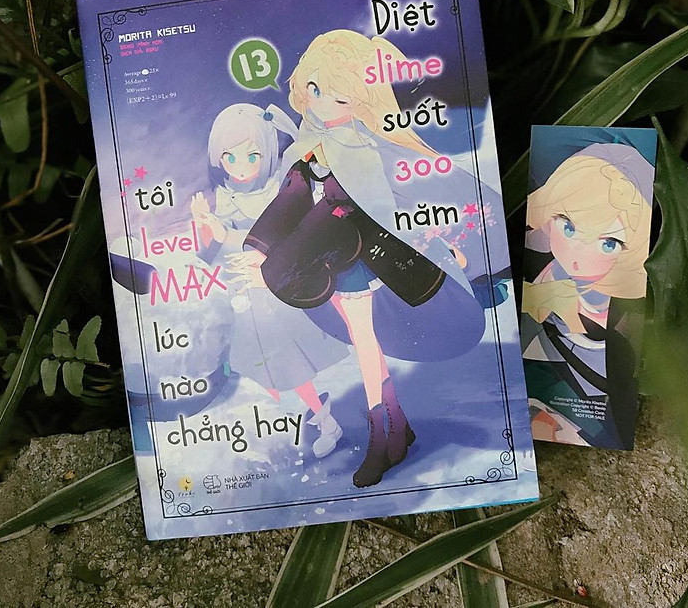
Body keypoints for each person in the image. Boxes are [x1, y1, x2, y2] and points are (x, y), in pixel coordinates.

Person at [231, 31, 508, 487]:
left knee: (365, 342)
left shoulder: (360, 149)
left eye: (339, 98)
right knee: (367, 343)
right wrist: (260, 246)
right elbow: (294, 195)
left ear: (361, 102)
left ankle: (385, 435)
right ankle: (396, 426)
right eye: (315, 89)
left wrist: (275, 267)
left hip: (362, 259)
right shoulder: (310, 140)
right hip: (330, 257)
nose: (322, 104)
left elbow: (345, 207)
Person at [190, 103, 348, 458]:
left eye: (252, 156)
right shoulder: (226, 195)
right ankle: (292, 420)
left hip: (278, 290)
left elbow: (279, 239)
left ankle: (326, 423)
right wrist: (206, 228)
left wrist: (226, 236)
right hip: (247, 299)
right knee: (261, 369)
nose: (241, 167)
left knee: (293, 364)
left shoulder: (281, 188)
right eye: (230, 157)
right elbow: (216, 251)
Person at [521, 143, 653, 447]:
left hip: (588, 404)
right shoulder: (541, 276)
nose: (578, 258)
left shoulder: (619, 309)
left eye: (608, 243)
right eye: (568, 227)